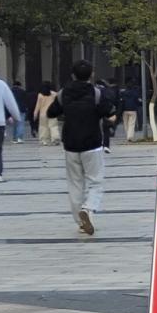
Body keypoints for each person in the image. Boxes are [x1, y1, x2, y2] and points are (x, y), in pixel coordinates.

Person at [48, 61, 111, 235]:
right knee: (95, 181)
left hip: (70, 144)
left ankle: (81, 222)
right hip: (92, 144)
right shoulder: (96, 93)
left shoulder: (63, 93)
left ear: (72, 75)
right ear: (92, 74)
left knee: (75, 184)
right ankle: (88, 209)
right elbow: (108, 111)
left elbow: (51, 112)